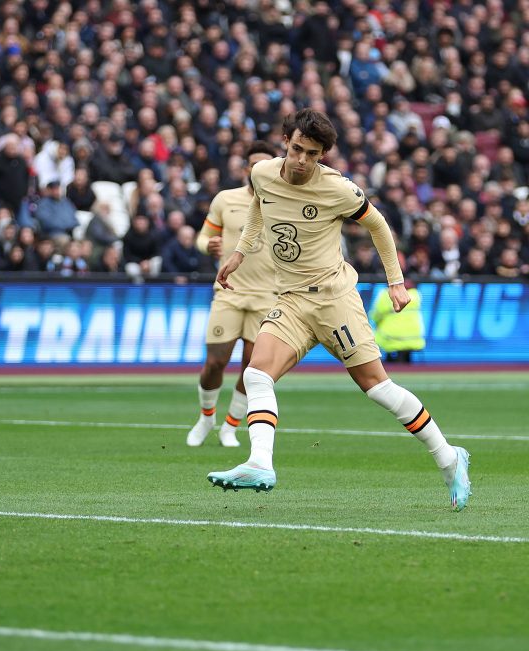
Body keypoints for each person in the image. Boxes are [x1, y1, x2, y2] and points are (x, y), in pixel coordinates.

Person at [210, 109, 471, 511]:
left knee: (378, 388)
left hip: (335, 300)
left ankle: (449, 457)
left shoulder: (339, 189)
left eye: (312, 154)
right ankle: (260, 463)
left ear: (323, 155)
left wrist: (396, 281)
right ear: (285, 142)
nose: (302, 160)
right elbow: (259, 209)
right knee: (257, 373)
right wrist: (240, 252)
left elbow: (379, 226)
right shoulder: (262, 174)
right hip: (292, 300)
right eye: (297, 149)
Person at [186, 141, 278, 448]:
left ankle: (230, 427)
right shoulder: (226, 199)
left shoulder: (284, 201)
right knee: (215, 362)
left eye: (264, 163)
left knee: (253, 368)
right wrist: (206, 246)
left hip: (268, 296)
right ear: (245, 168)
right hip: (228, 291)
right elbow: (203, 236)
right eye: (253, 163)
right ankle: (206, 417)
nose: (257, 169)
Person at [371, 252, 426, 363]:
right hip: (414, 340)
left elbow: (374, 317)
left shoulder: (385, 295)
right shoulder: (416, 295)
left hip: (390, 340)